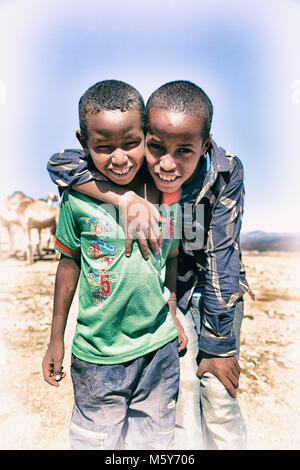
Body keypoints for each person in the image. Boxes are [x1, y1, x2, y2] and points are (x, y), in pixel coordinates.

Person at [47, 80, 254, 450]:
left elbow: (221, 255)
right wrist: (123, 198)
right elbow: (59, 162)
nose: (167, 163)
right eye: (156, 147)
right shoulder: (134, 173)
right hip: (169, 293)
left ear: (204, 145)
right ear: (146, 136)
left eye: (184, 151)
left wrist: (220, 347)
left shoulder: (223, 174)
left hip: (212, 288)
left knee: (218, 391)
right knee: (182, 390)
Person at [42, 80, 188, 451]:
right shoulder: (78, 199)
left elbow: (169, 256)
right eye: (103, 147)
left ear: (147, 137)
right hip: (98, 358)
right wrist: (55, 338)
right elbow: (68, 263)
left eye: (131, 143)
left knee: (153, 443)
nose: (119, 158)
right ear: (83, 141)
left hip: (160, 351)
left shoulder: (169, 196)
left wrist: (171, 310)